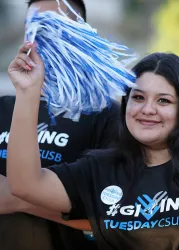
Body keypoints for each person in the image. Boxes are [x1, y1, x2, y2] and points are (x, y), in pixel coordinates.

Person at [7, 41, 179, 250]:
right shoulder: (101, 170)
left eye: (163, 100)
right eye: (138, 97)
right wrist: (27, 92)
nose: (147, 109)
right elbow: (25, 185)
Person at [0, 1, 119, 250]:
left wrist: (19, 198)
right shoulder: (3, 107)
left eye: (54, 26)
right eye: (33, 27)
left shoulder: (108, 117)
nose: (41, 35)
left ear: (81, 33)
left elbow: (115, 217)